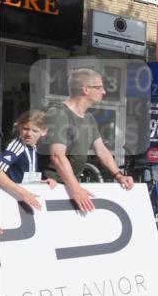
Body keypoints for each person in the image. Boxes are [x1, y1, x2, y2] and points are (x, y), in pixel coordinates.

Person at [41, 68, 134, 212]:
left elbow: (101, 150)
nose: (104, 92)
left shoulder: (88, 118)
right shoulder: (59, 114)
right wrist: (76, 189)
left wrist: (119, 175)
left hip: (68, 187)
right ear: (86, 89)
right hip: (51, 187)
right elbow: (57, 156)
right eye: (99, 87)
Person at [0, 110, 56, 189]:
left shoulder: (33, 147)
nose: (29, 134)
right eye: (25, 129)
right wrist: (23, 193)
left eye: (35, 131)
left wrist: (40, 182)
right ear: (19, 127)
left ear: (44, 132)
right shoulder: (16, 146)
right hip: (12, 196)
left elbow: (22, 177)